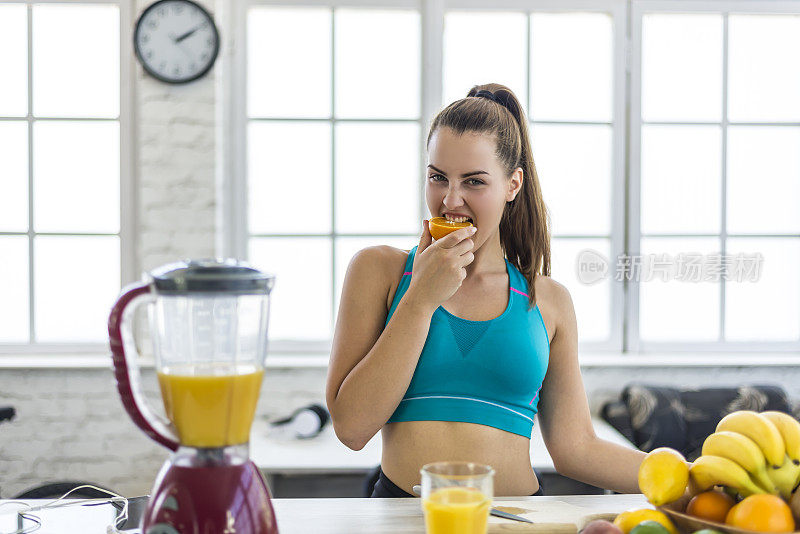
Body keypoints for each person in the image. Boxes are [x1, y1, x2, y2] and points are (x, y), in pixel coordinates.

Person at [325, 83, 646, 497]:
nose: (451, 201)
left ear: (512, 185)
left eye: (474, 182)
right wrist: (421, 298)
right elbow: (351, 428)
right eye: (438, 178)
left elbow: (577, 449)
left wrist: (693, 478)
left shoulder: (547, 301)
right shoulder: (379, 271)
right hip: (405, 518)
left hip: (517, 522)